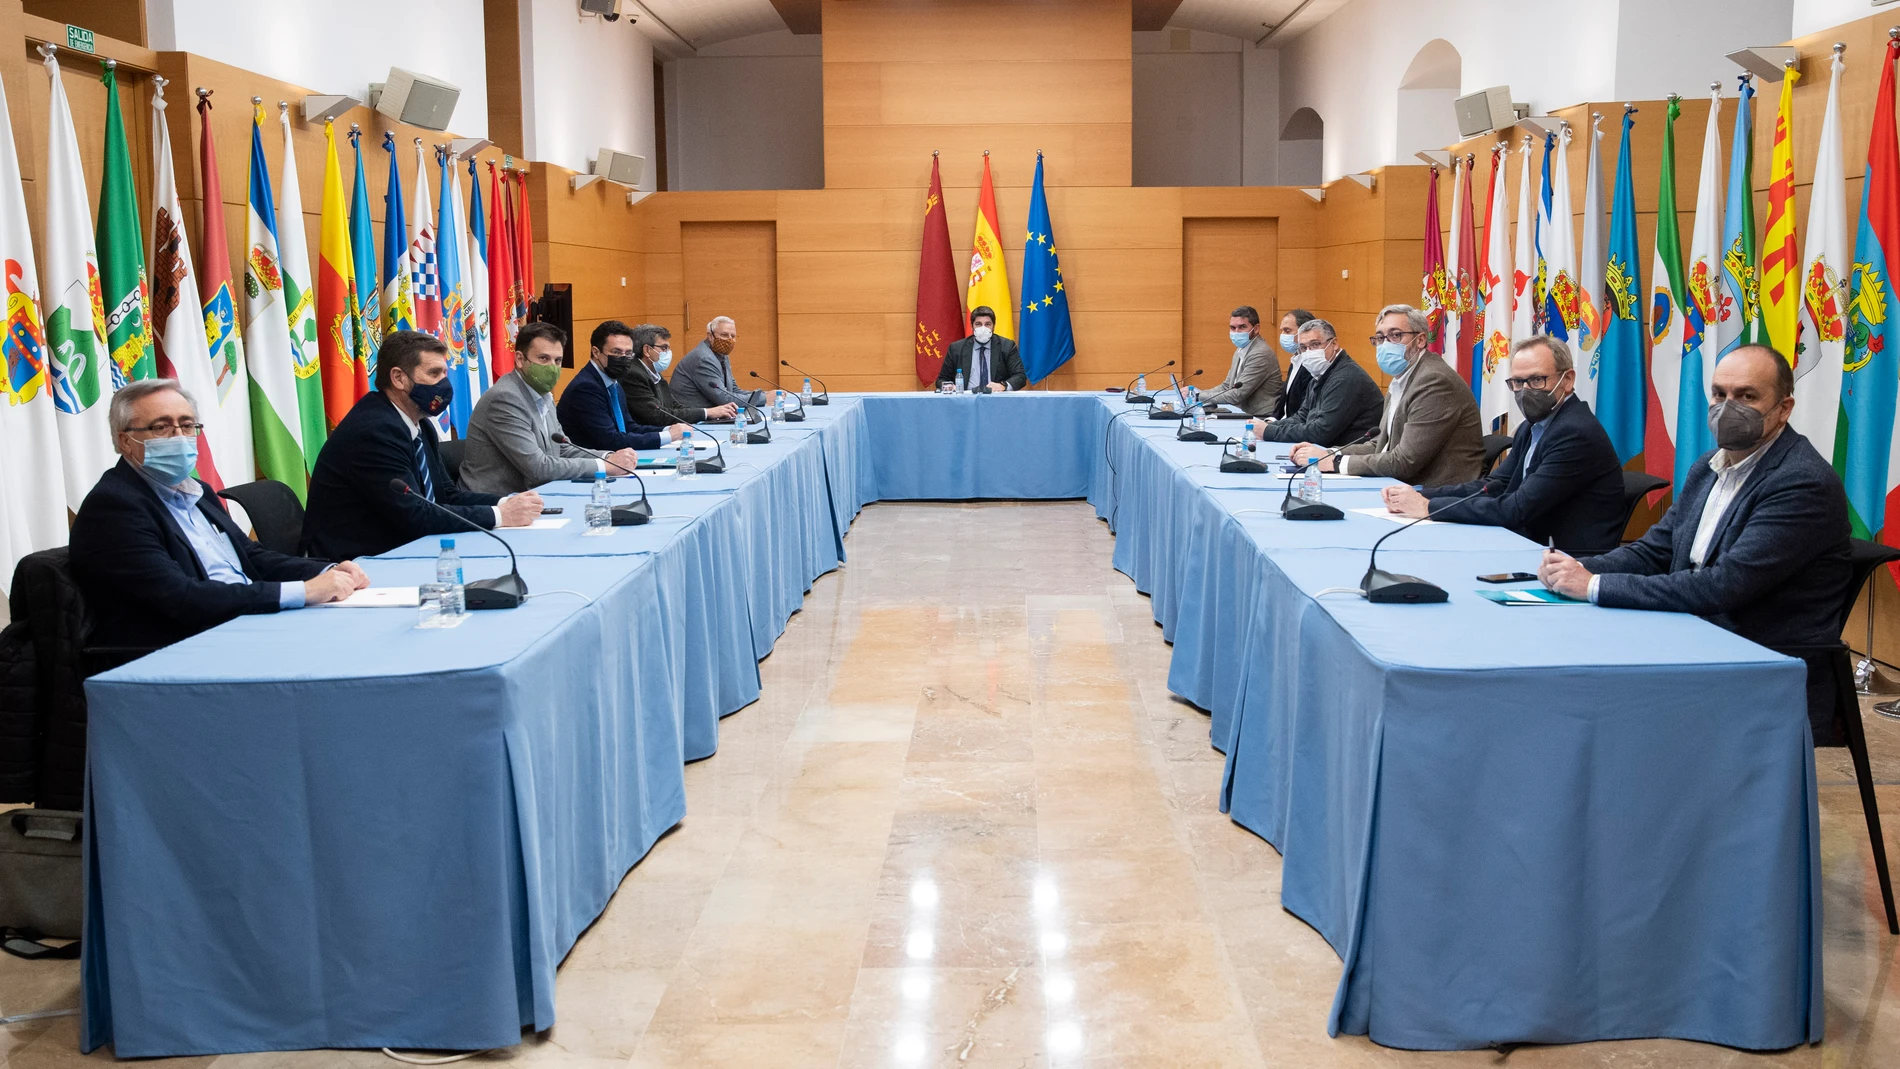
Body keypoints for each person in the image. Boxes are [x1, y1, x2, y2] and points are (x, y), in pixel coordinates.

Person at [1540, 344, 1851, 653]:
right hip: (1693, 628)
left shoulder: (1801, 482)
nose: (1727, 407)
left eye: (1747, 396)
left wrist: (1593, 585)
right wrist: (1576, 568)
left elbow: (1724, 586)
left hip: (1760, 653)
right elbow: (1654, 552)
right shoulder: (1708, 466)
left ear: (1784, 409)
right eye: (1719, 394)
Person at [69, 379, 369, 650]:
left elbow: (252, 557)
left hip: (241, 624)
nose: (180, 436)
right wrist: (303, 592)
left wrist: (326, 571)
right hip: (183, 647)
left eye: (187, 425)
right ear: (125, 441)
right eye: (161, 427)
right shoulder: (115, 507)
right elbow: (181, 599)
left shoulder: (196, 490)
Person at [304, 330, 544, 561]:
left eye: (444, 374)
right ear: (398, 378)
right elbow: (415, 514)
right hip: (355, 562)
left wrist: (507, 502)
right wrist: (500, 515)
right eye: (434, 373)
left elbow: (445, 495)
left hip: (401, 547)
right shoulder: (375, 430)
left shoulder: (419, 424)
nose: (444, 384)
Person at [1378, 335, 1625, 554]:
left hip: (1567, 559)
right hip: (1529, 544)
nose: (1525, 391)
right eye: (1518, 382)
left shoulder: (1575, 433)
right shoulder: (1534, 425)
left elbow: (1516, 509)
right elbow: (1495, 485)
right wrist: (1421, 493)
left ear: (1567, 380)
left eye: (1537, 380)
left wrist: (1429, 507)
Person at [1290, 303, 1483, 484]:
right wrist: (1329, 453)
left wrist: (1336, 463)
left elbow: (1404, 462)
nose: (1386, 344)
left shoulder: (1434, 381)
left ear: (1421, 340)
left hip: (1437, 492)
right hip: (1402, 485)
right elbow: (1381, 444)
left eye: (1396, 335)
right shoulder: (1403, 377)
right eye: (1381, 338)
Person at [459, 322, 639, 495]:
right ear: (520, 359)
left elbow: (562, 449)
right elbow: (538, 468)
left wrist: (608, 457)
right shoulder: (505, 399)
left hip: (534, 494)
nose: (552, 368)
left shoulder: (542, 393)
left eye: (558, 360)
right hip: (495, 502)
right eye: (543, 358)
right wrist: (606, 467)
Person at [554, 320, 692, 452]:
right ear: (596, 352)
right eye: (616, 352)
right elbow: (611, 440)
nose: (623, 358)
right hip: (593, 463)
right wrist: (668, 436)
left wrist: (667, 430)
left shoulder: (613, 382)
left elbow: (628, 427)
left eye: (628, 353)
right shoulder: (585, 388)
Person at [1255, 317, 1383, 447]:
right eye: (1304, 347)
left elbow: (1320, 432)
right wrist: (1268, 426)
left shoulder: (1346, 378)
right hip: (1325, 451)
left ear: (1334, 344)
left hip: (1347, 457)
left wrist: (1270, 431)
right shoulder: (1321, 372)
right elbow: (1302, 416)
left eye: (1315, 344)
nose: (1309, 352)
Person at [619, 322, 737, 427]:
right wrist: (707, 413)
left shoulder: (654, 373)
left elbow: (674, 406)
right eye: (664, 348)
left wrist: (709, 413)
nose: (668, 353)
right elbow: (656, 415)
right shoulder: (634, 374)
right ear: (646, 350)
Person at [1200, 305, 1283, 416]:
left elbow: (1237, 395)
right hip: (1243, 413)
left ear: (1256, 329)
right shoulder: (1241, 350)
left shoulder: (1260, 354)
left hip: (1261, 417)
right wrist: (1200, 394)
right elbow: (1226, 386)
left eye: (1242, 327)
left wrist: (1198, 397)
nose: (1237, 332)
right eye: (1233, 328)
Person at [671, 316, 766, 411]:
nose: (729, 340)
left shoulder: (722, 355)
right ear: (710, 336)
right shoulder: (703, 359)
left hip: (712, 414)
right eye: (724, 335)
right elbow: (724, 399)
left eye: (732, 336)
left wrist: (762, 395)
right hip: (691, 418)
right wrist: (763, 399)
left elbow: (733, 390)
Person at [935, 307, 1027, 392]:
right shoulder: (956, 348)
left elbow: (1020, 376)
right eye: (978, 324)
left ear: (993, 326)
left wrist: (1003, 386)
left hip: (997, 399)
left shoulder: (1007, 346)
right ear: (972, 326)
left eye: (987, 324)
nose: (983, 328)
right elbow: (941, 380)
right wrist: (950, 386)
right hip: (966, 401)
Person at [1271, 309, 1318, 420]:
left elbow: (1303, 413)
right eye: (1281, 331)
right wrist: (1270, 421)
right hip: (1282, 426)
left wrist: (1273, 428)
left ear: (1305, 332)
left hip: (1292, 429)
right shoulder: (1295, 361)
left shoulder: (1311, 367)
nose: (1282, 336)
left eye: (1287, 331)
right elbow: (1282, 408)